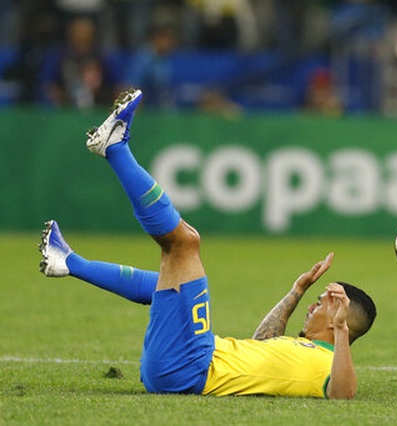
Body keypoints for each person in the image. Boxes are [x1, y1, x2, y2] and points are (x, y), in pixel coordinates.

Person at [38, 88, 377, 399]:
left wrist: (342, 328)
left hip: (190, 366)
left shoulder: (327, 366)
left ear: (338, 322)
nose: (312, 307)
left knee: (185, 243)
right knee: (166, 283)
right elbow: (260, 342)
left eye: (320, 304)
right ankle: (67, 261)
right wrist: (296, 292)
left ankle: (115, 148)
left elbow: (343, 395)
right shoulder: (300, 350)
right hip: (185, 362)